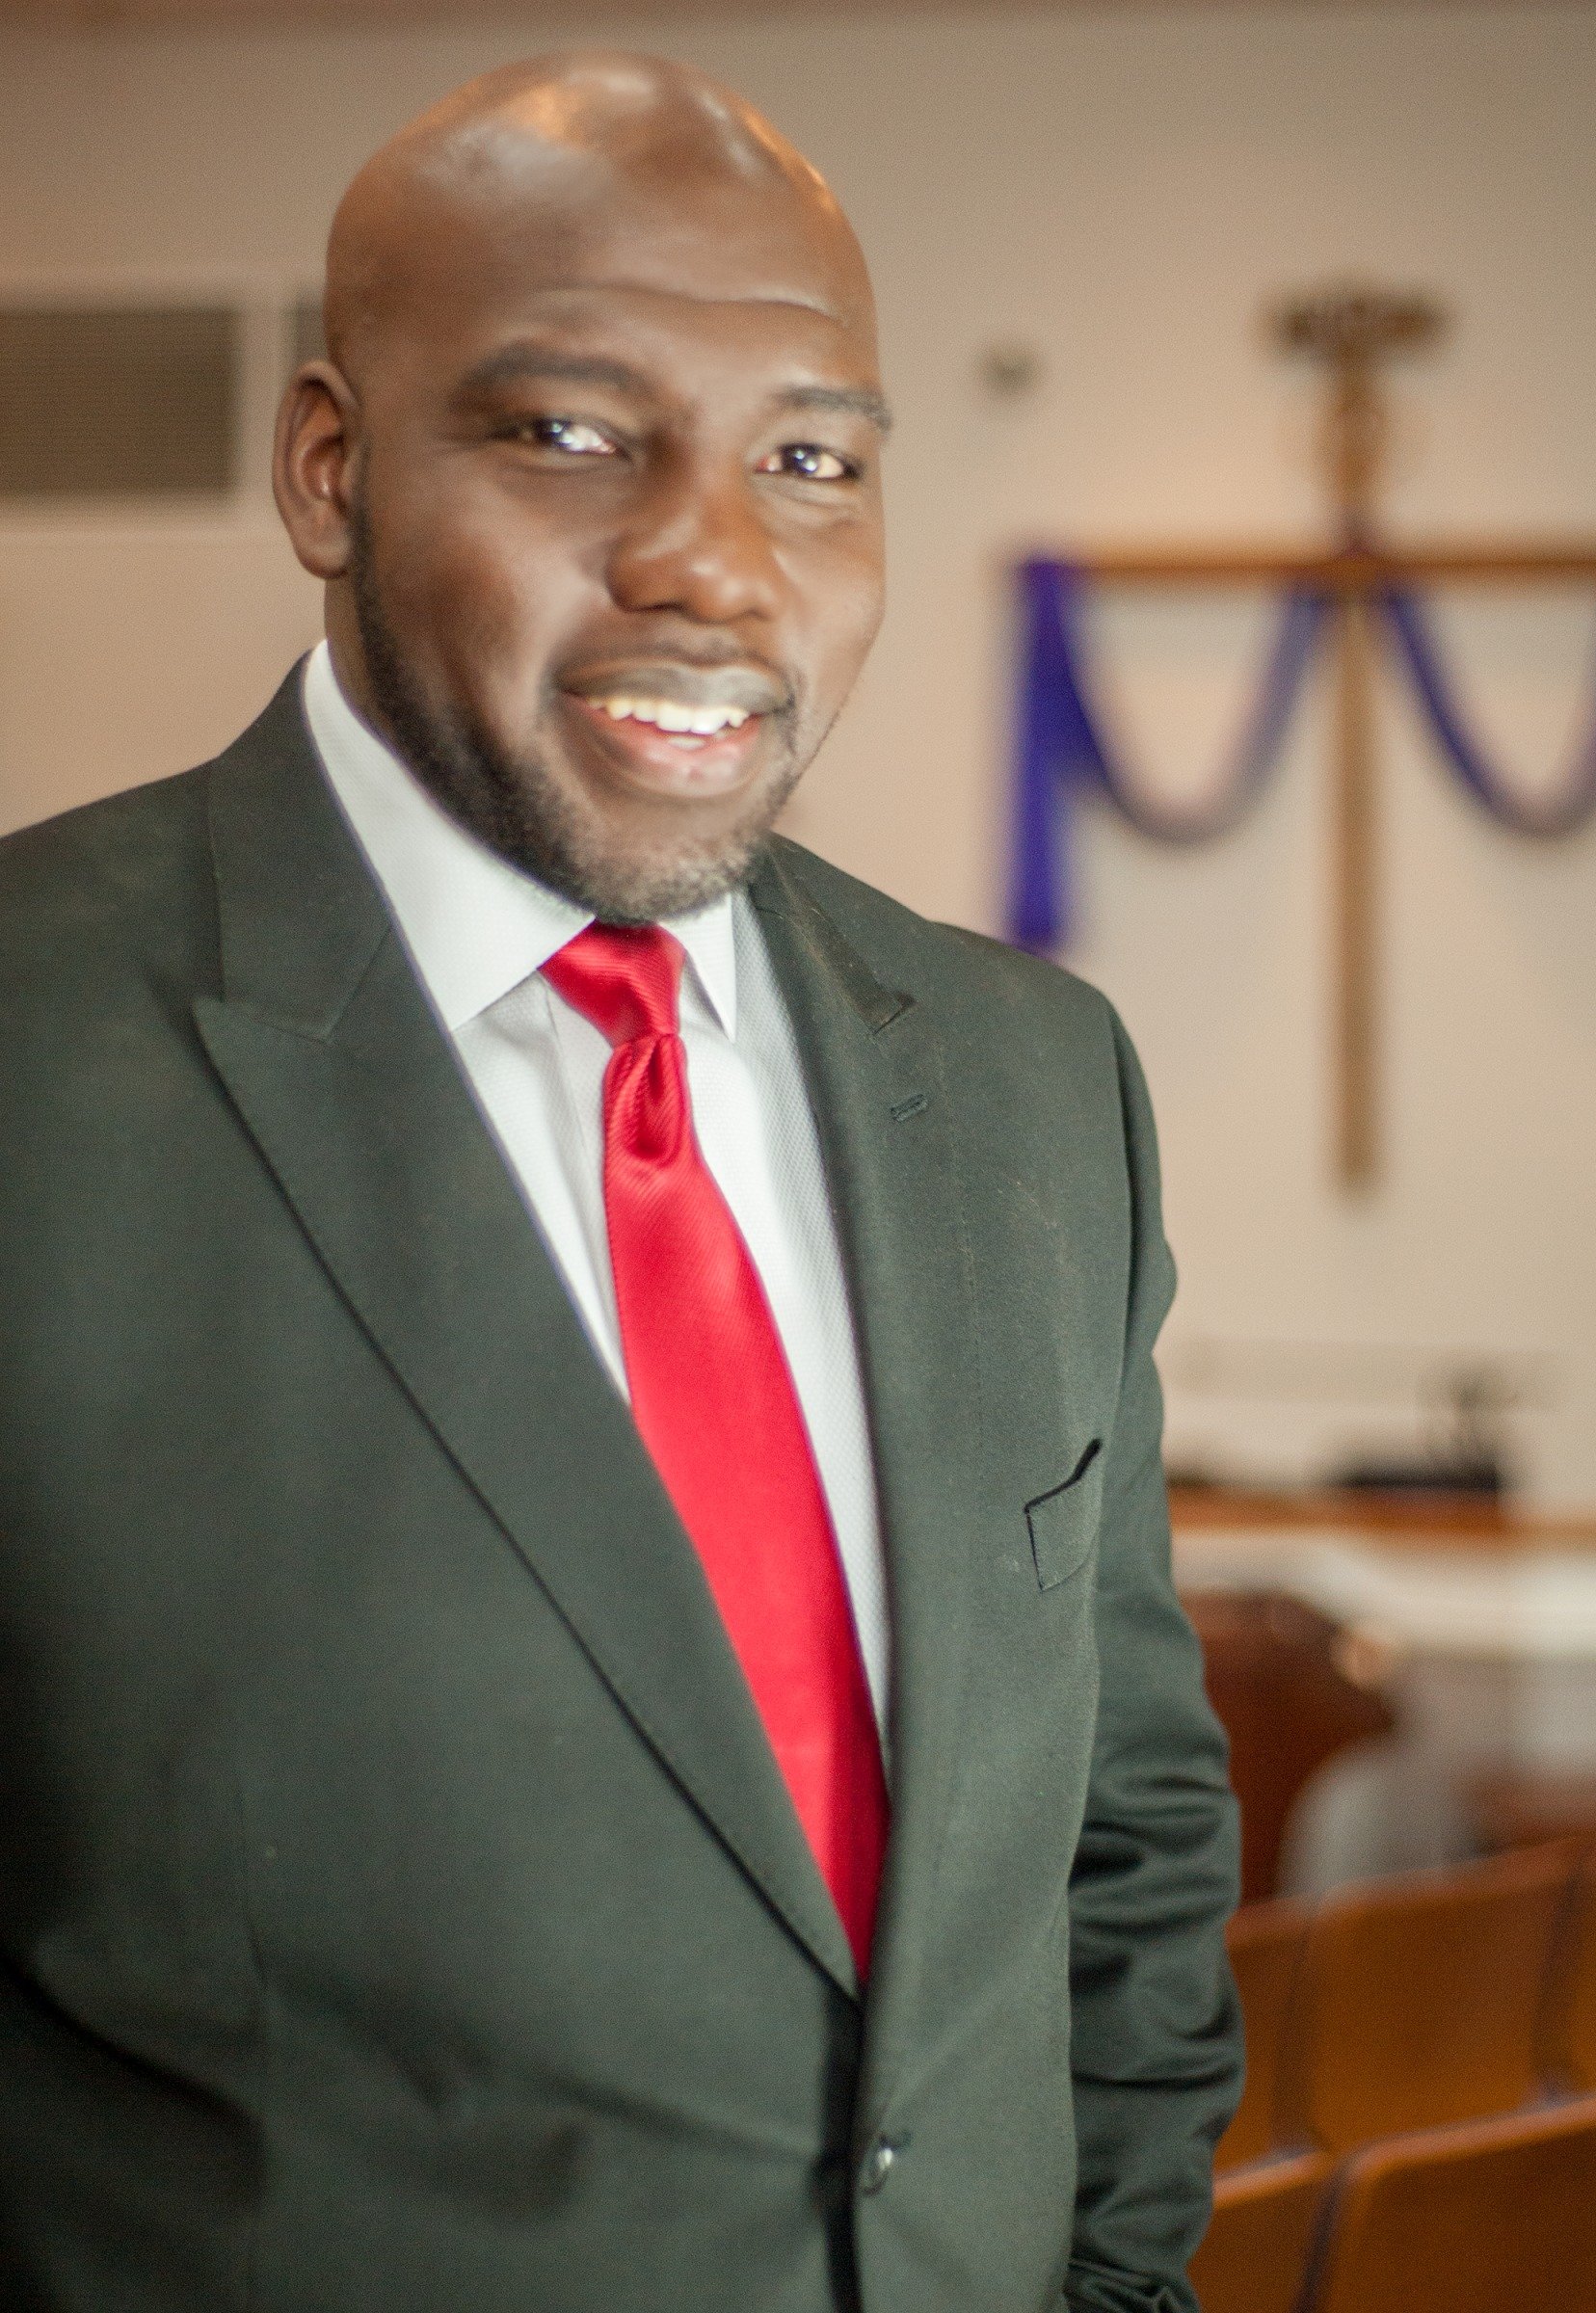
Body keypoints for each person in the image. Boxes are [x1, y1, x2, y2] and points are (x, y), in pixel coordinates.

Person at [0, 51, 1240, 2313]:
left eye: (811, 460)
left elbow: (1124, 1856)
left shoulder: (1040, 1083)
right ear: (329, 467)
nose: (711, 558)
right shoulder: (31, 1059)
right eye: (570, 433)